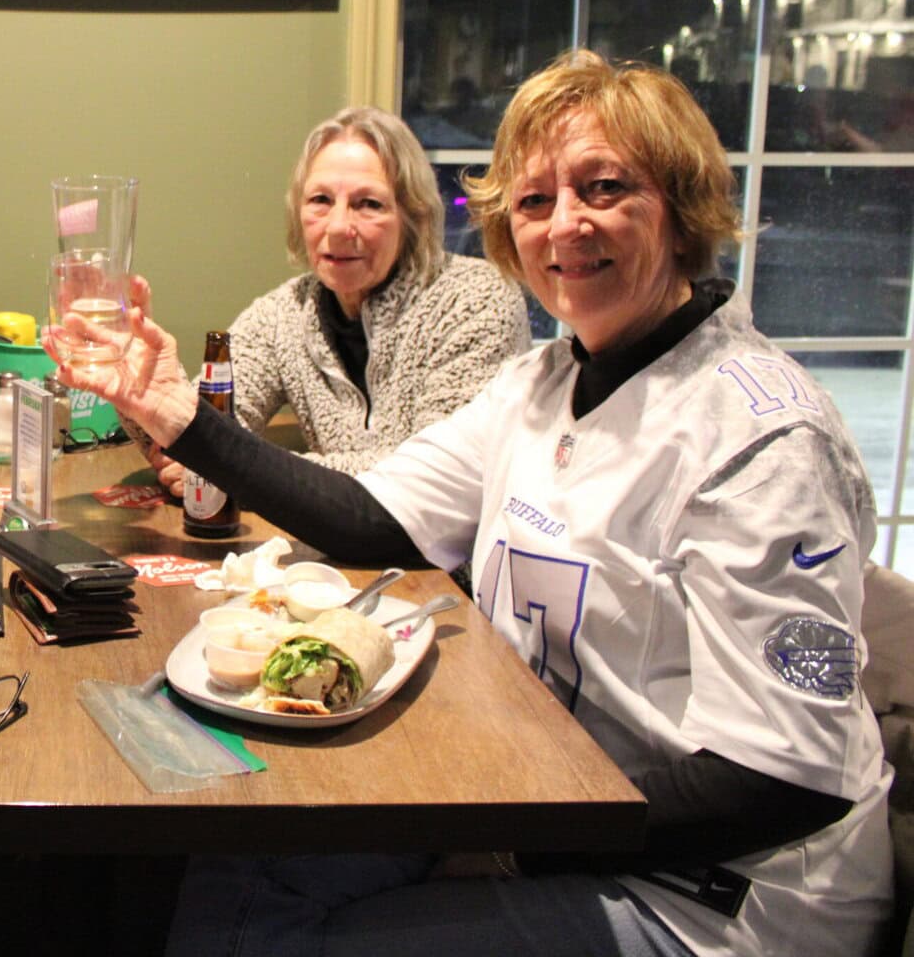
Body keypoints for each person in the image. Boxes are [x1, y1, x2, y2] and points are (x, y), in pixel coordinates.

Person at [49, 50, 894, 956]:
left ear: (682, 208)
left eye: (603, 188)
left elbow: (781, 779)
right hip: (544, 796)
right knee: (241, 868)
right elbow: (372, 520)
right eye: (533, 202)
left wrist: (506, 846)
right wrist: (178, 416)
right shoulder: (544, 380)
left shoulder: (760, 438)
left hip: (714, 895)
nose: (565, 225)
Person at [139, 106, 527, 497]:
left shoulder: (479, 299)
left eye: (369, 204)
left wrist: (237, 469)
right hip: (335, 554)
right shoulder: (283, 314)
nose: (339, 228)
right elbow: (198, 433)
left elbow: (433, 477)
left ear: (412, 216)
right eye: (321, 200)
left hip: (446, 556)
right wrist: (134, 371)